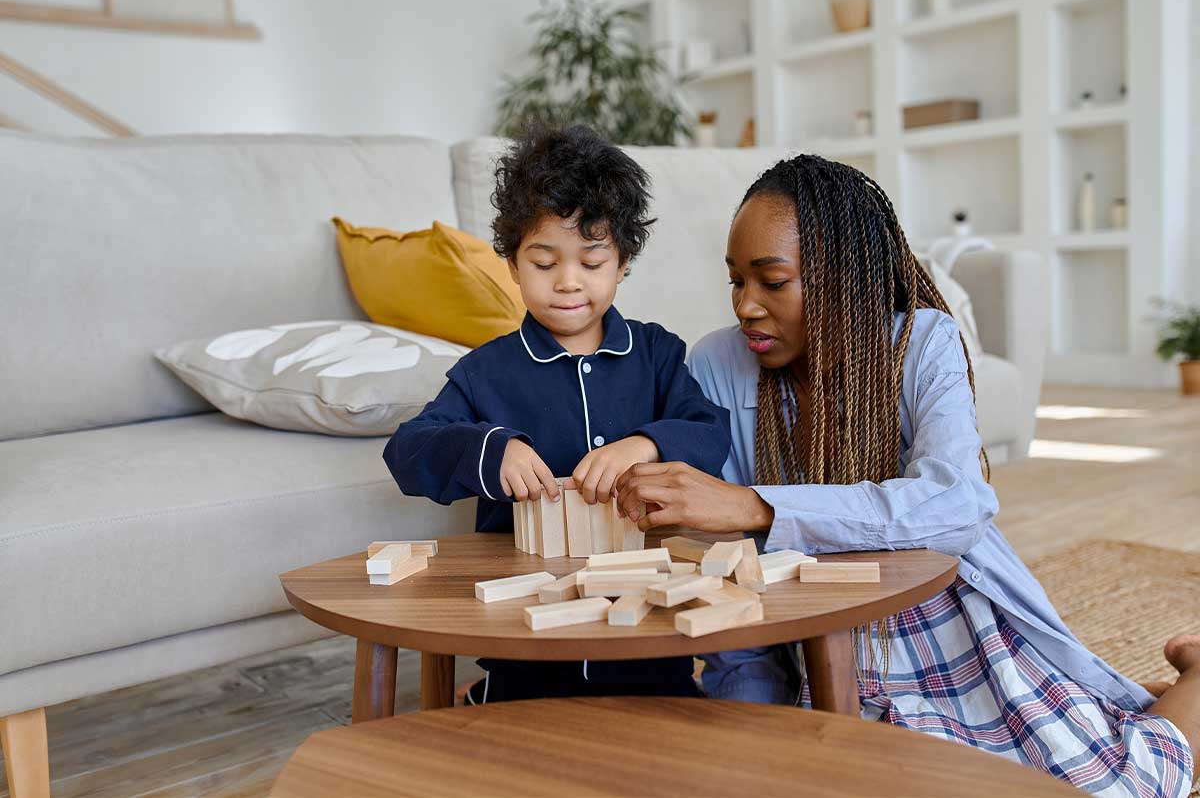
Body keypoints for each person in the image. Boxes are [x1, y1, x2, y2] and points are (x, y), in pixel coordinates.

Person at [613, 155, 1197, 797]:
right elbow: (723, 573)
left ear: (845, 281)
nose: (746, 305)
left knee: (1119, 783)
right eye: (735, 282)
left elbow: (956, 504)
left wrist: (759, 506)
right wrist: (751, 726)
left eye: (772, 282)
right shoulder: (719, 362)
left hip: (944, 615)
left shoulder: (921, 341)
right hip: (821, 648)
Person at [383, 124, 731, 702]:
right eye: (544, 262)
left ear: (622, 265)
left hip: (647, 630)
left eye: (592, 263)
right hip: (525, 640)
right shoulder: (485, 371)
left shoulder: (656, 354)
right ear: (513, 266)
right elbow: (408, 450)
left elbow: (710, 434)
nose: (568, 281)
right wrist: (494, 449)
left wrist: (641, 446)